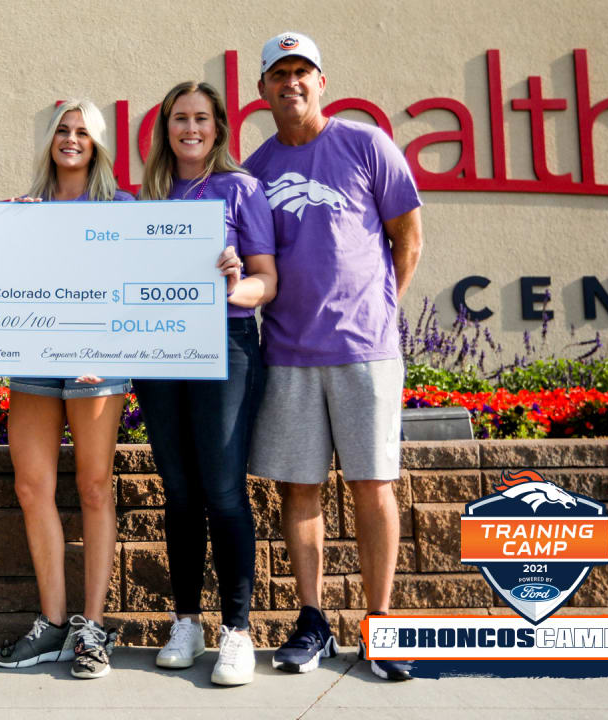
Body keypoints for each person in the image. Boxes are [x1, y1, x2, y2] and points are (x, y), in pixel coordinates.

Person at [244, 32, 423, 682]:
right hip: (288, 353)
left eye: (303, 72)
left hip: (365, 354)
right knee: (301, 489)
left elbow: (408, 234)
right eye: (279, 74)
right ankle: (313, 620)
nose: (291, 83)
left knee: (373, 486)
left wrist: (382, 307)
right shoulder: (256, 169)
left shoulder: (366, 145)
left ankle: (381, 625)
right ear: (262, 91)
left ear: (322, 82)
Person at [134, 81, 278, 686]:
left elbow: (266, 283)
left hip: (226, 345)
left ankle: (238, 632)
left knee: (222, 491)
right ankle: (187, 621)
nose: (190, 129)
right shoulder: (146, 196)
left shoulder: (242, 188)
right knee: (179, 492)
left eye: (201, 119)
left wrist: (231, 284)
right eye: (179, 119)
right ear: (165, 128)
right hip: (160, 350)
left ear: (218, 126)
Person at [0, 100, 132, 680]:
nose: (70, 140)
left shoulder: (120, 207)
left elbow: (135, 282)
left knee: (95, 486)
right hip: (35, 354)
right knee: (32, 486)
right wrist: (6, 230)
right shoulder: (29, 208)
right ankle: (51, 625)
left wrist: (115, 348)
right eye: (61, 131)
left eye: (82, 132)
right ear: (48, 138)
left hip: (98, 359)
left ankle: (92, 628)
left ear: (97, 143)